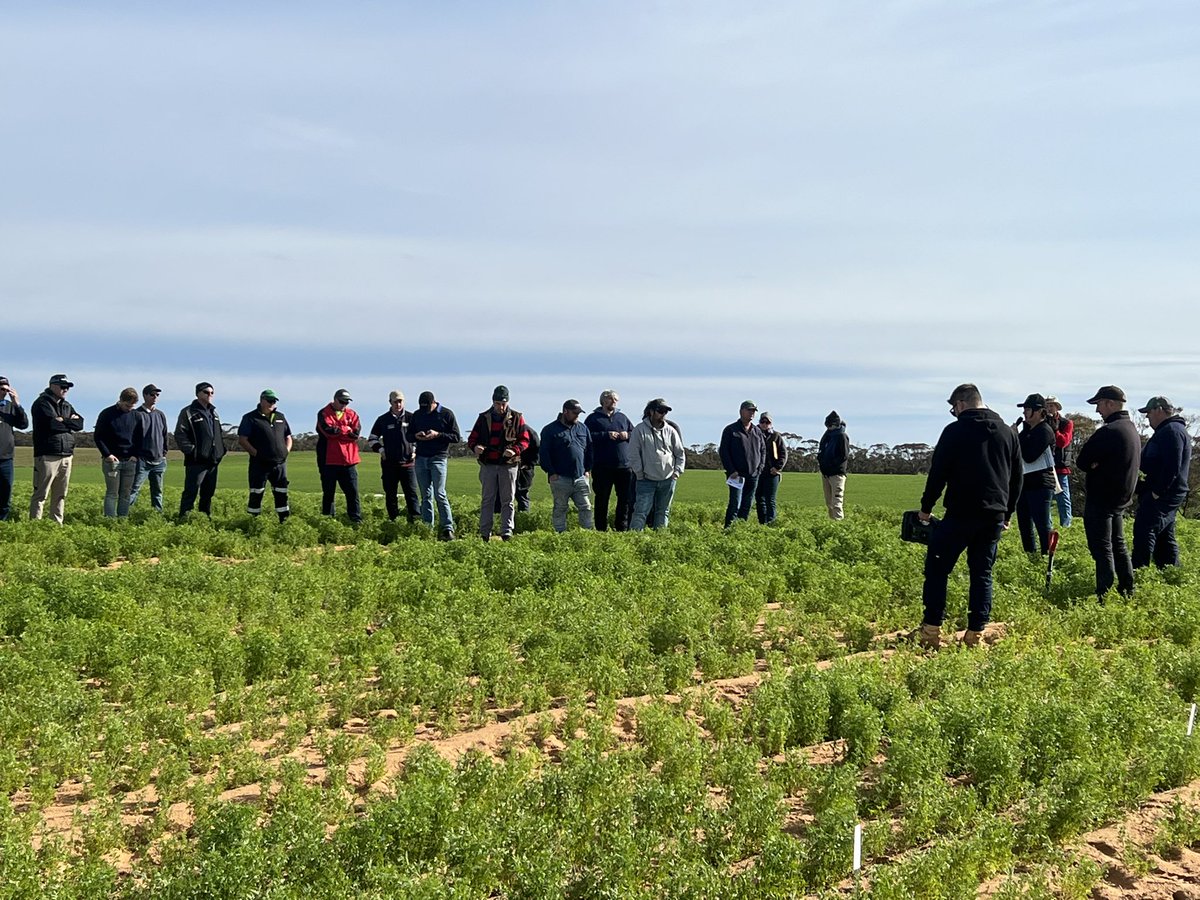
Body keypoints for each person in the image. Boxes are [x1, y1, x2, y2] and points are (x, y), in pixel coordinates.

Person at [914, 384, 1021, 649]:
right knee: (982, 573)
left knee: (937, 569)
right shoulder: (1008, 432)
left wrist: (926, 508)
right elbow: (1017, 478)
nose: (954, 413)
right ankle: (975, 635)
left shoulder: (955, 431)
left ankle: (931, 632)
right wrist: (1007, 513)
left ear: (961, 404)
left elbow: (938, 472)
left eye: (954, 408)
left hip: (961, 512)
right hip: (994, 515)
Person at [1075, 385, 1140, 599]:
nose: (1097, 411)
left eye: (1099, 404)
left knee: (1102, 548)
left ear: (1110, 404)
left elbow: (1082, 461)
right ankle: (1127, 590)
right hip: (1120, 500)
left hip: (1101, 499)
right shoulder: (1130, 429)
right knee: (1118, 545)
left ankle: (1104, 594)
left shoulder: (1109, 431)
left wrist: (1095, 464)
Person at [1132, 396, 1191, 570]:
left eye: (1149, 413)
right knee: (1165, 536)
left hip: (1163, 494)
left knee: (1144, 530)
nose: (1147, 417)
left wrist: (1156, 492)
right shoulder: (1170, 430)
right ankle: (1170, 572)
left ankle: (1138, 572)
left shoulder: (1171, 431)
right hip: (1168, 493)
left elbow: (1172, 466)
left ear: (1159, 410)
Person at [468, 385, 529, 541]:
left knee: (508, 499)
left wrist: (515, 450)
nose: (500, 407)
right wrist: (476, 447)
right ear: (492, 402)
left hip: (509, 465)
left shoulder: (517, 417)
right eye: (497, 403)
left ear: (507, 402)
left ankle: (507, 532)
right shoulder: (483, 418)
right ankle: (484, 533)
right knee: (487, 499)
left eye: (503, 403)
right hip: (488, 464)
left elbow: (525, 440)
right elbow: (472, 439)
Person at [29, 374, 84, 524]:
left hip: (66, 454)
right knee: (41, 493)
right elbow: (52, 425)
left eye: (67, 387)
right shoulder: (41, 404)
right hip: (47, 454)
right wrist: (68, 422)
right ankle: (35, 525)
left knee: (60, 494)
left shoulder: (67, 405)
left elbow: (80, 424)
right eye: (62, 386)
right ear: (52, 385)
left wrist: (63, 420)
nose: (65, 389)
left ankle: (56, 524)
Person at [407, 390, 460, 540]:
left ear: (433, 403)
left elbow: (456, 436)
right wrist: (416, 436)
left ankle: (447, 529)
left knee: (440, 493)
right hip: (421, 458)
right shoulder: (417, 415)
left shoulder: (446, 414)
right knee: (425, 495)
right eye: (422, 408)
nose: (424, 411)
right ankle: (427, 529)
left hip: (439, 458)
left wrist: (438, 435)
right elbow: (409, 435)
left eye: (427, 407)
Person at [629, 398, 686, 531]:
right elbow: (633, 454)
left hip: (668, 479)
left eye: (665, 412)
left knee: (663, 512)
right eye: (660, 411)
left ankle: (661, 539)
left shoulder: (671, 431)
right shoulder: (639, 430)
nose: (663, 414)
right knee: (640, 512)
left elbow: (680, 453)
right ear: (651, 412)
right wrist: (639, 473)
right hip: (645, 480)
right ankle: (634, 539)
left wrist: (676, 473)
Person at [237, 390, 293, 522]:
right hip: (260, 464)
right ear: (262, 400)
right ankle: (253, 522)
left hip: (279, 464)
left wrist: (286, 451)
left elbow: (288, 436)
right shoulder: (250, 417)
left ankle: (284, 522)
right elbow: (243, 439)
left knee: (281, 494)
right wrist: (256, 454)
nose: (272, 403)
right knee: (256, 493)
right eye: (269, 400)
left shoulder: (281, 417)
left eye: (274, 401)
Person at [540, 399, 594, 533]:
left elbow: (590, 450)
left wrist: (587, 469)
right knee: (560, 507)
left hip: (580, 476)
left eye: (578, 413)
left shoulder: (583, 428)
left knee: (586, 506)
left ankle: (588, 534)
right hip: (560, 478)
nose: (577, 416)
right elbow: (544, 454)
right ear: (565, 411)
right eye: (575, 413)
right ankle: (560, 534)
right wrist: (551, 472)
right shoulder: (550, 430)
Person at [585, 390, 636, 531]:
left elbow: (635, 433)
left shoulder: (622, 417)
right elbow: (586, 436)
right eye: (610, 399)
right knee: (602, 499)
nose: (613, 401)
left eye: (615, 399)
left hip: (624, 467)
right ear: (603, 401)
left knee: (624, 500)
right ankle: (601, 529)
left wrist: (628, 434)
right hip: (602, 467)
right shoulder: (593, 418)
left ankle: (622, 528)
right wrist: (605, 435)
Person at [1013, 393, 1056, 555]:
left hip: (1041, 484)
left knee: (1042, 524)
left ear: (1038, 412)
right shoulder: (1027, 430)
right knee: (1025, 525)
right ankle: (1030, 555)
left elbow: (1030, 456)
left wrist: (1016, 438)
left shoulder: (1045, 430)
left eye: (1028, 409)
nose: (1024, 412)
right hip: (1024, 483)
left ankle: (1047, 556)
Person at [175, 382, 226, 517]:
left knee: (208, 492)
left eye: (212, 393)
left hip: (213, 461)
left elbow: (218, 434)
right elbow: (180, 434)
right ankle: (184, 518)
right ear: (198, 394)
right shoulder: (188, 412)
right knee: (191, 491)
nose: (210, 395)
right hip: (196, 461)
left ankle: (204, 517)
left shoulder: (214, 413)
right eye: (206, 392)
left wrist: (222, 450)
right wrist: (192, 451)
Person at [368, 390, 418, 523]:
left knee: (411, 494)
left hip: (408, 464)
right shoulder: (382, 420)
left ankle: (415, 521)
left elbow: (419, 437)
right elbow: (372, 439)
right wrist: (381, 450)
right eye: (395, 401)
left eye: (400, 401)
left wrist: (415, 450)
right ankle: (393, 521)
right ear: (390, 402)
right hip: (389, 464)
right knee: (390, 495)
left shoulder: (412, 418)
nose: (398, 404)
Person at [94, 387, 141, 518]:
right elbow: (98, 436)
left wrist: (135, 455)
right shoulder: (107, 414)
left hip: (130, 461)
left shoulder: (137, 415)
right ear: (120, 400)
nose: (129, 408)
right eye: (127, 405)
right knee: (112, 493)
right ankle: (110, 520)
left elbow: (140, 437)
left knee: (126, 493)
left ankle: (122, 519)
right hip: (112, 461)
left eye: (132, 406)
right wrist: (107, 454)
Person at [317, 389, 362, 524]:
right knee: (329, 492)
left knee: (352, 492)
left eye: (346, 402)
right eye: (342, 402)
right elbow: (328, 432)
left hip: (348, 460)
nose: (344, 405)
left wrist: (342, 431)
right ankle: (328, 520)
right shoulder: (324, 413)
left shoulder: (352, 414)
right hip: (328, 460)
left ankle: (355, 520)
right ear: (335, 399)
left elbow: (356, 433)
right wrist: (346, 429)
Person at [719, 401, 766, 527]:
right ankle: (728, 530)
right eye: (749, 410)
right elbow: (724, 451)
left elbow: (763, 451)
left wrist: (759, 469)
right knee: (735, 504)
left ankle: (740, 529)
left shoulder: (757, 431)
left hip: (753, 475)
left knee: (746, 505)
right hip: (736, 475)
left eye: (753, 411)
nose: (752, 413)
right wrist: (731, 470)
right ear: (741, 411)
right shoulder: (730, 430)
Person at [129, 384, 169, 513]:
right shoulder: (136, 414)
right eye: (152, 394)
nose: (155, 397)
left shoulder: (160, 414)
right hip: (142, 460)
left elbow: (164, 434)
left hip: (159, 460)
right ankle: (123, 514)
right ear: (145, 395)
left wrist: (164, 453)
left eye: (157, 395)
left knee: (158, 491)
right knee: (133, 489)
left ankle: (157, 515)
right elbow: (131, 437)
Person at [0, 377, 29, 521]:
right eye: (2, 389)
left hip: (6, 458)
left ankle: (2, 523)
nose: (4, 392)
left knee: (5, 493)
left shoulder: (9, 406)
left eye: (7, 390)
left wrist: (17, 404)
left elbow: (23, 424)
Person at [1045, 396, 1074, 527]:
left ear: (1057, 407)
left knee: (1063, 498)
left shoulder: (1066, 423)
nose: (1049, 408)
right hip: (1045, 466)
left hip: (1060, 466)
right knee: (1047, 499)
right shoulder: (1041, 422)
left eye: (1051, 405)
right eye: (1047, 405)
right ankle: (1047, 526)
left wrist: (1055, 430)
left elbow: (1063, 442)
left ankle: (1066, 525)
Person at [755, 411, 788, 525]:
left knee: (770, 499)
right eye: (762, 421)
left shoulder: (776, 436)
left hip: (772, 473)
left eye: (767, 422)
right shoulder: (754, 434)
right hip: (758, 472)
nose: (764, 424)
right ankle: (762, 523)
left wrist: (777, 468)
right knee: (759, 499)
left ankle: (771, 523)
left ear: (770, 423)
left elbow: (783, 453)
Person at [818, 411, 850, 520]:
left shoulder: (842, 436)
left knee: (837, 503)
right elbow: (821, 451)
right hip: (826, 474)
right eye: (827, 425)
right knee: (829, 503)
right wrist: (822, 464)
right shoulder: (826, 436)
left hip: (837, 474)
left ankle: (838, 525)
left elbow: (843, 456)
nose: (828, 428)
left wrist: (831, 465)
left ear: (836, 424)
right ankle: (832, 523)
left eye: (830, 425)